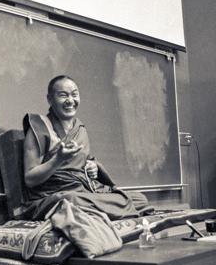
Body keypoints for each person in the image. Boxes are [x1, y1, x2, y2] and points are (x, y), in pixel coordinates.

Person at [21, 75, 152, 222]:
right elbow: (30, 179)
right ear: (50, 99)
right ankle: (104, 211)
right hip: (54, 195)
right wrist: (57, 159)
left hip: (84, 192)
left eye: (74, 94)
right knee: (70, 201)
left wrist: (93, 167)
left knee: (140, 199)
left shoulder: (80, 128)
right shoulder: (39, 128)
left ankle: (95, 212)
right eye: (63, 95)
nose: (70, 101)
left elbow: (83, 163)